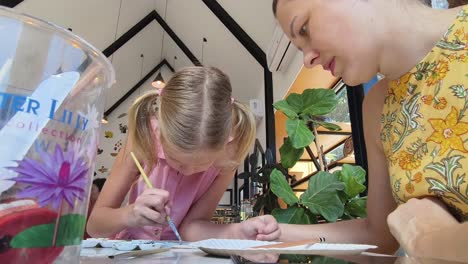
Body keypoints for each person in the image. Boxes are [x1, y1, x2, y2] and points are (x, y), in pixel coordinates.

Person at [272, 0, 467, 261]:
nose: (307, 59)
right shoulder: (377, 107)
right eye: (299, 47)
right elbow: (378, 237)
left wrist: (426, 237)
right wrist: (272, 235)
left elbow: (419, 235)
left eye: (304, 29)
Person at [87, 66, 280, 241]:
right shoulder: (144, 136)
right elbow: (95, 226)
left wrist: (237, 231)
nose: (189, 171)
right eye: (177, 160)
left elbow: (193, 229)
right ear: (160, 134)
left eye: (202, 164)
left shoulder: (229, 153)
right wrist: (129, 215)